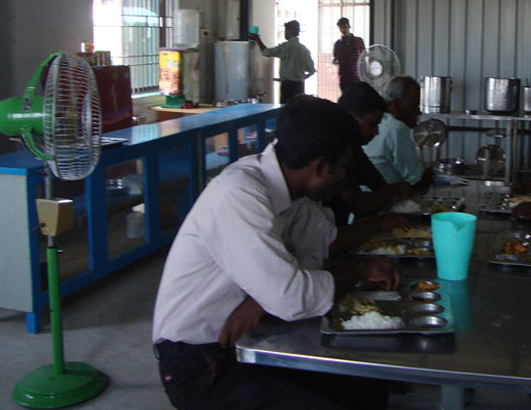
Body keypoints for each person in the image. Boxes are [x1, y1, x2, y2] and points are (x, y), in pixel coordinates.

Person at [152, 95, 400, 410]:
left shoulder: (299, 197)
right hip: (203, 362)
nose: (343, 177)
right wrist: (358, 270)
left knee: (367, 386)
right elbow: (293, 298)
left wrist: (262, 299)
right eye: (342, 169)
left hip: (253, 339)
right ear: (321, 166)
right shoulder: (240, 195)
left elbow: (313, 257)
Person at [324, 83, 415, 226]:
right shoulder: (335, 150)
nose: (376, 132)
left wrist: (395, 190)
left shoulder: (354, 149)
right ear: (353, 118)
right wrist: (394, 190)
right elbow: (360, 205)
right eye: (373, 124)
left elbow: (379, 185)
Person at [363, 75, 432, 188]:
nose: (418, 113)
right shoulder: (396, 128)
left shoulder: (381, 122)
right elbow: (415, 179)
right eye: (414, 107)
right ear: (395, 106)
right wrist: (430, 173)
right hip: (383, 200)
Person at [249, 20, 315, 103]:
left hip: (287, 87)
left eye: (285, 31)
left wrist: (257, 39)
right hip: (300, 87)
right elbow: (312, 70)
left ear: (289, 31)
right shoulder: (304, 50)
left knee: (286, 110)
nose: (285, 33)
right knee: (298, 111)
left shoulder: (285, 47)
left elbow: (266, 52)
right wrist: (300, 77)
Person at [332, 17, 365, 94]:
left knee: (357, 101)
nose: (343, 29)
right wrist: (335, 61)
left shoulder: (359, 41)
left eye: (345, 27)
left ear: (349, 26)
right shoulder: (338, 44)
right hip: (344, 78)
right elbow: (335, 59)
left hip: (357, 78)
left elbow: (364, 57)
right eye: (340, 28)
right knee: (346, 101)